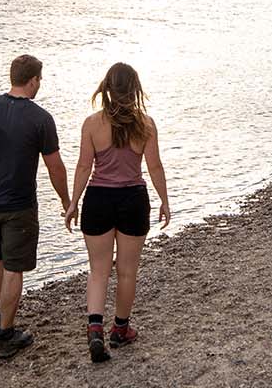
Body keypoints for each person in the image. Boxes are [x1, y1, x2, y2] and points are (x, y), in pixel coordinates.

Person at [62, 62, 170, 363]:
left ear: (106, 88)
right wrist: (164, 200)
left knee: (98, 270)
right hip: (133, 199)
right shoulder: (145, 124)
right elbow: (155, 166)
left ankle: (94, 329)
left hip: (98, 199)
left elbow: (84, 166)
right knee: (126, 270)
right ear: (135, 88)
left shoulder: (92, 124)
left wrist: (73, 203)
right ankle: (120, 329)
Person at [0, 54, 69, 358]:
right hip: (20, 204)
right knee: (14, 267)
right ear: (33, 80)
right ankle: (7, 332)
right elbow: (55, 168)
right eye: (40, 80)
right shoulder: (40, 119)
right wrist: (66, 201)